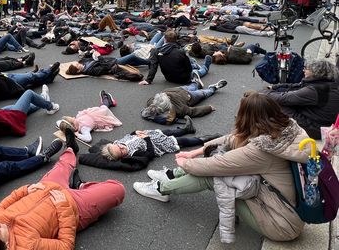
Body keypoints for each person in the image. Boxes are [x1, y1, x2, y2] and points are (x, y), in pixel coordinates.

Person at [133, 92, 310, 242]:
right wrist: (197, 151)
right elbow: (232, 139)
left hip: (281, 224)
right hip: (284, 207)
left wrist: (186, 164)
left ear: (247, 118)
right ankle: (171, 176)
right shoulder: (286, 130)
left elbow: (215, 165)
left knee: (215, 177)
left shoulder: (262, 151)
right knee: (222, 164)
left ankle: (161, 189)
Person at [0, 147, 125, 249]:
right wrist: (63, 208)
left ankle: (72, 163)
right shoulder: (27, 246)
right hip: (73, 206)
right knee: (118, 189)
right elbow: (65, 246)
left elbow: (1, 207)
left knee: (68, 155)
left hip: (45, 187)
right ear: (7, 246)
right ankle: (80, 186)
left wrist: (24, 190)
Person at [263, 59, 339, 139]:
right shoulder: (326, 83)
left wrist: (264, 92)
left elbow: (282, 98)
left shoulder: (315, 90)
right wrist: (274, 87)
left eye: (306, 68)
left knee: (277, 104)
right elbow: (295, 86)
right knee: (283, 99)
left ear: (316, 72)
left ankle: (274, 127)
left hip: (317, 130)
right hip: (323, 123)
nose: (303, 70)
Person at [139, 30, 212, 86]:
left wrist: (148, 80)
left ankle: (195, 65)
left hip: (169, 78)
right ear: (175, 40)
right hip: (183, 79)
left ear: (165, 39)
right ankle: (205, 67)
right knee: (195, 72)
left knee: (190, 61)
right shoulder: (180, 52)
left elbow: (153, 66)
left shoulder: (156, 51)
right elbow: (188, 69)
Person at [140, 80, 227, 125]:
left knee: (191, 86)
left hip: (178, 89)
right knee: (204, 93)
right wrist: (208, 108)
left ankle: (196, 83)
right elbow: (193, 111)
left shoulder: (151, 102)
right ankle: (213, 88)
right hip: (189, 97)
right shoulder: (179, 110)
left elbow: (147, 111)